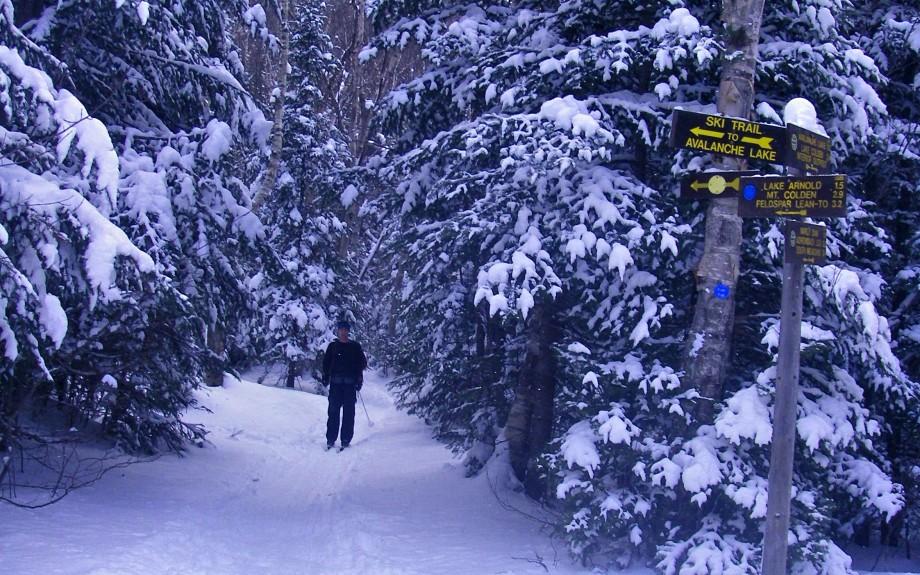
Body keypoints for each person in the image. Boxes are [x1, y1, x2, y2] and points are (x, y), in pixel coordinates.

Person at [322, 320, 367, 450]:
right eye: (341, 329)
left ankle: (346, 440)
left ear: (348, 331)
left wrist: (359, 380)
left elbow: (362, 364)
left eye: (345, 329)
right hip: (335, 385)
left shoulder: (355, 347)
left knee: (349, 413)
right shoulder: (332, 346)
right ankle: (330, 439)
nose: (343, 332)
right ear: (338, 331)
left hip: (349, 385)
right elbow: (326, 363)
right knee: (333, 412)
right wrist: (325, 377)